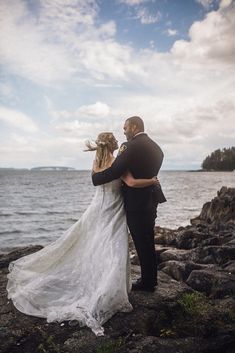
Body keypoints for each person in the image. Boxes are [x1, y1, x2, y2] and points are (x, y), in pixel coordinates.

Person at [6, 132, 158, 337]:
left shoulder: (97, 163)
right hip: (114, 209)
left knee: (93, 243)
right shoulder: (118, 164)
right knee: (112, 246)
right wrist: (152, 180)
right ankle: (109, 286)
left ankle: (101, 281)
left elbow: (98, 180)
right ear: (114, 146)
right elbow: (131, 183)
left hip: (98, 209)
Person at [92, 117, 166, 292]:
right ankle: (151, 279)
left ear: (134, 127)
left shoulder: (129, 146)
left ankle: (147, 282)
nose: (124, 131)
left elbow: (116, 170)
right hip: (151, 199)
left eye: (125, 128)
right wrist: (151, 180)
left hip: (136, 203)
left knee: (141, 242)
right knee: (148, 240)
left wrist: (96, 178)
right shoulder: (157, 148)